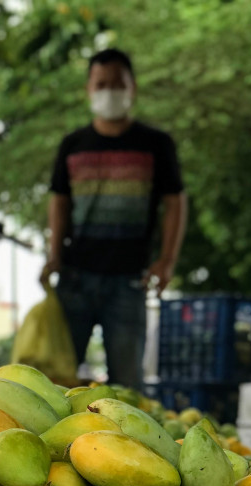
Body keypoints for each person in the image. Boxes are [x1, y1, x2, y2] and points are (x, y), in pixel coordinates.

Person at [43, 48, 187, 390]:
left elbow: (176, 202)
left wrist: (167, 261)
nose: (109, 91)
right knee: (55, 381)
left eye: (117, 83)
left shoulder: (156, 144)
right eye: (101, 84)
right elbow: (59, 203)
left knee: (127, 388)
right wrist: (53, 257)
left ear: (133, 88)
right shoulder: (72, 145)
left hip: (129, 283)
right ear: (89, 90)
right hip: (75, 278)